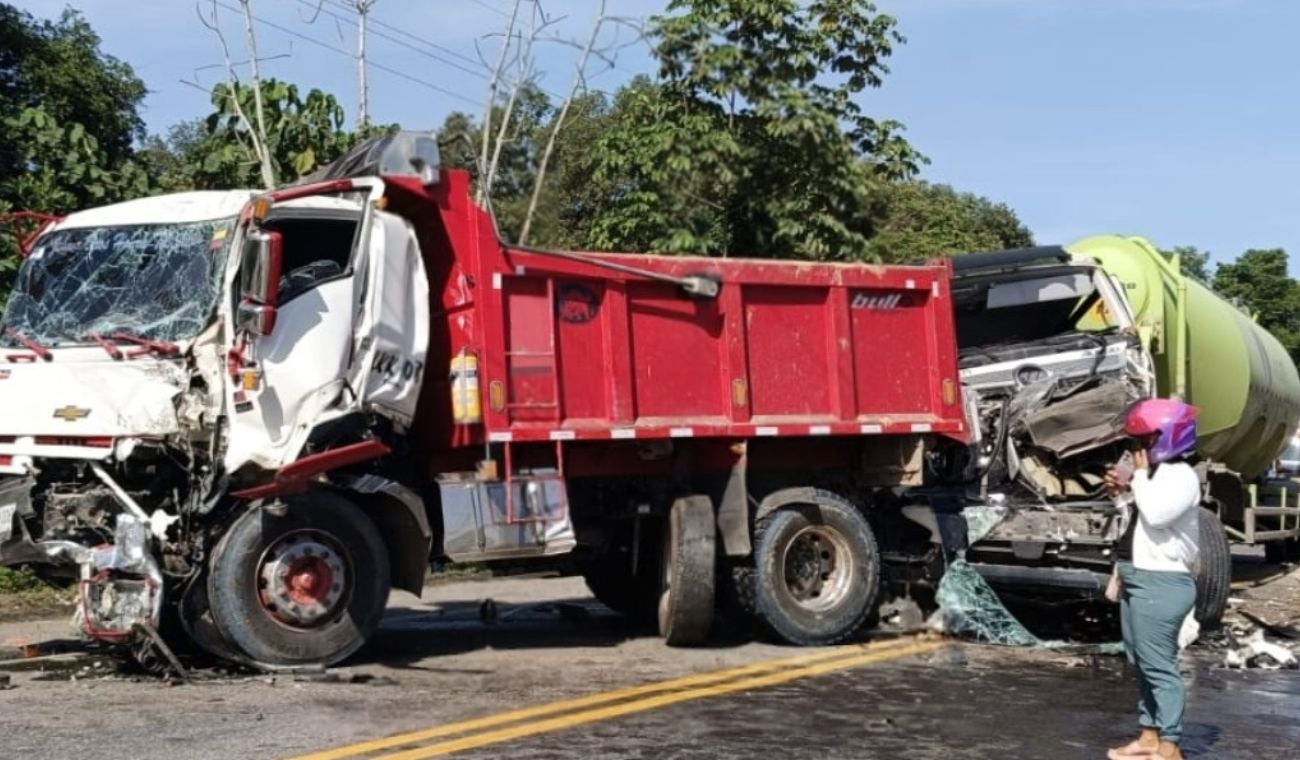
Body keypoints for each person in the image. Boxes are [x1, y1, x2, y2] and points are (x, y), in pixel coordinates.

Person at [1105, 398, 1202, 760]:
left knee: (1159, 666)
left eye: (1145, 441)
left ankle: (1170, 745)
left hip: (1161, 582)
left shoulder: (1182, 476)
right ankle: (1148, 738)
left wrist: (1138, 479)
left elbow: (1159, 516)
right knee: (1142, 662)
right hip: (1137, 576)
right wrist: (1121, 494)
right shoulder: (1155, 477)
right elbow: (1138, 525)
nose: (1139, 450)